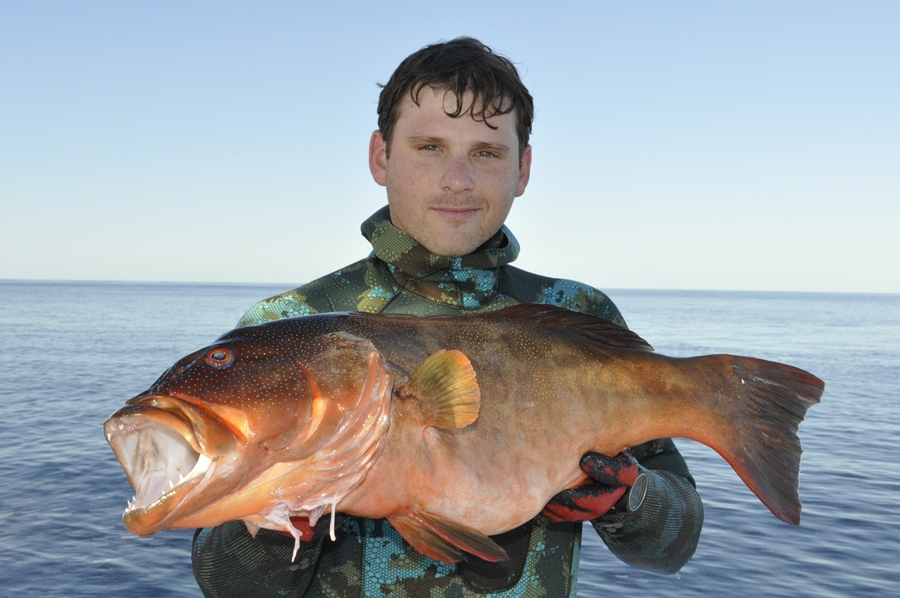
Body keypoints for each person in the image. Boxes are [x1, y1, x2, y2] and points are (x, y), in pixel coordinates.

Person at [192, 37, 703, 597]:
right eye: (429, 147)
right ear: (380, 157)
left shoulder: (575, 315)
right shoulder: (292, 325)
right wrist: (279, 515)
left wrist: (629, 501)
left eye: (486, 152)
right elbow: (226, 586)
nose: (457, 179)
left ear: (523, 169)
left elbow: (673, 549)